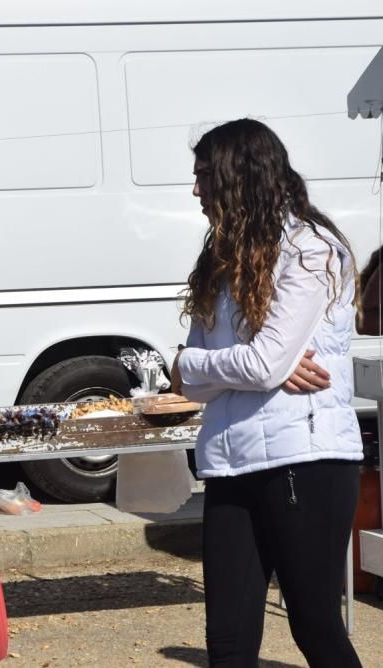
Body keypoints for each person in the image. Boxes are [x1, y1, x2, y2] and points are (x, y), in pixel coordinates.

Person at [170, 119, 362, 667]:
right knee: (227, 642)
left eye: (205, 175)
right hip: (231, 462)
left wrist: (213, 364)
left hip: (306, 459)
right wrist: (208, 365)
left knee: (314, 625)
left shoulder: (311, 248)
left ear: (238, 175)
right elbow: (194, 378)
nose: (196, 189)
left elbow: (259, 363)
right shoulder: (221, 260)